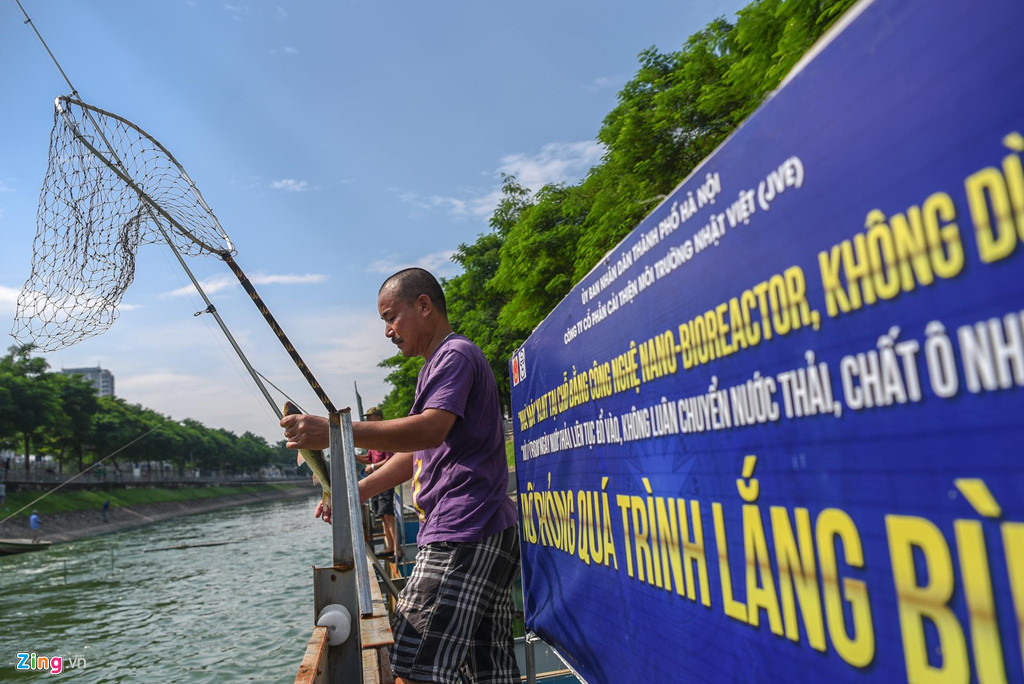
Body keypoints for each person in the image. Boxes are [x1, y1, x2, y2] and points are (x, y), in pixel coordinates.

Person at [282, 267, 520, 684]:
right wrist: (354, 492)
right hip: (484, 530)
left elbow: (429, 429)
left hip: (462, 529)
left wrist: (336, 430)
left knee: (411, 668)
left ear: (424, 306)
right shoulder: (436, 366)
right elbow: (417, 453)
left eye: (391, 317)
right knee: (488, 673)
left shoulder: (454, 355)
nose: (388, 331)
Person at [354, 406, 398, 558]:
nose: (367, 419)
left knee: (388, 515)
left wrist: (372, 466)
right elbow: (368, 458)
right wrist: (352, 455)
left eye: (369, 417)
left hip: (385, 480)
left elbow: (390, 459)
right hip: (376, 482)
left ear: (378, 418)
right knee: (382, 516)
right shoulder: (374, 440)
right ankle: (389, 548)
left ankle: (397, 549)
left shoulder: (384, 436)